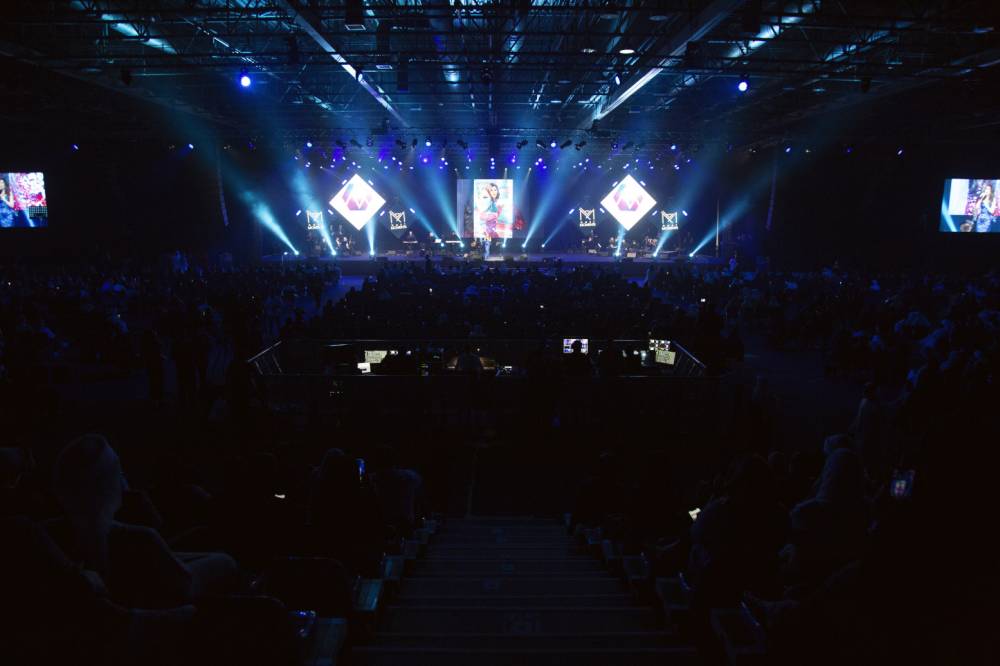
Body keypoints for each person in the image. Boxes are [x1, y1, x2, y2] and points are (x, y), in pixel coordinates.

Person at [46, 434, 237, 609]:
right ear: (110, 482)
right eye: (119, 473)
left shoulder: (51, 534)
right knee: (225, 560)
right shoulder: (140, 538)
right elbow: (186, 584)